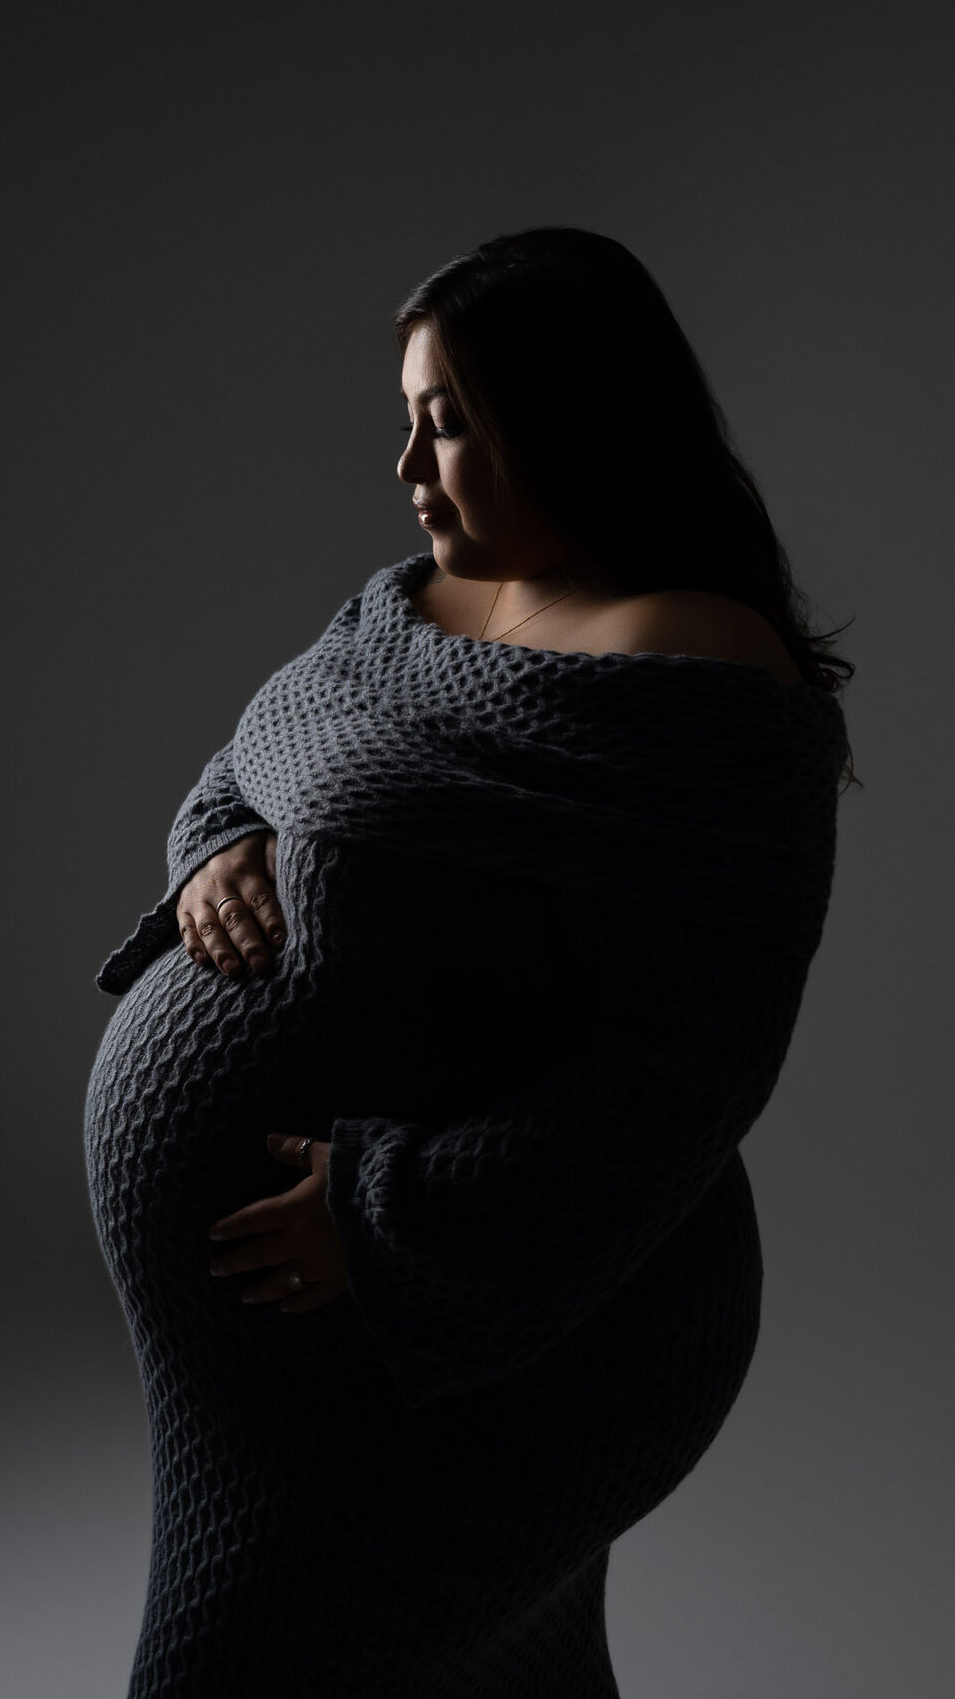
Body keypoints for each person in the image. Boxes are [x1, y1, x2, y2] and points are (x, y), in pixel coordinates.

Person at [84, 226, 856, 1699]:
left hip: (503, 1331)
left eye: (446, 425)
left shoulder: (695, 679)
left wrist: (388, 1224)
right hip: (311, 1347)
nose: (407, 466)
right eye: (409, 421)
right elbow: (269, 743)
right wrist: (218, 845)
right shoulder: (417, 601)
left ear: (567, 422)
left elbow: (692, 1068)